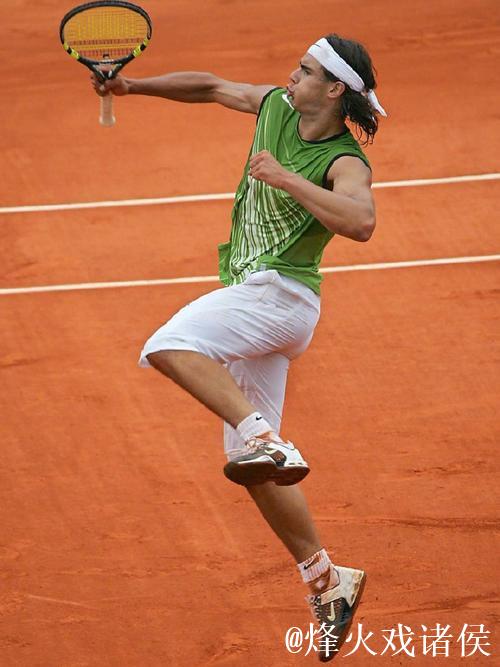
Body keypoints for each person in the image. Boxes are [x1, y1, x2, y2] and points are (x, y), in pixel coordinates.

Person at [92, 33, 386, 661]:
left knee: (170, 343)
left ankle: (267, 438)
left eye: (305, 71)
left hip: (282, 297)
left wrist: (285, 177)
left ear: (335, 89)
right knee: (252, 468)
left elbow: (361, 222)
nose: (291, 75)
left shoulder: (345, 161)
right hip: (256, 296)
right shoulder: (276, 106)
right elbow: (211, 87)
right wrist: (132, 86)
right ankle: (327, 579)